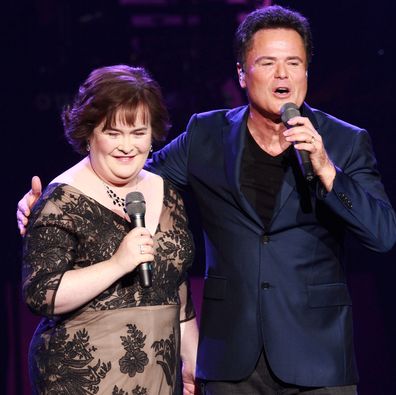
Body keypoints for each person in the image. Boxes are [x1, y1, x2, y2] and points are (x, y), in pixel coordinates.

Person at [17, 5, 396, 395]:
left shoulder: (346, 141)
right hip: (231, 362)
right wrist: (55, 202)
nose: (282, 74)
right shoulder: (206, 134)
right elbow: (131, 168)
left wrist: (327, 170)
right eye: (267, 62)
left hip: (317, 358)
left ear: (306, 72)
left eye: (293, 63)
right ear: (241, 74)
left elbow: (382, 234)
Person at [19, 64, 199, 395]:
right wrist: (118, 263)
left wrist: (191, 358)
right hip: (85, 376)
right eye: (113, 133)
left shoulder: (166, 192)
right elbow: (40, 293)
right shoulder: (62, 198)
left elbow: (177, 283)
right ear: (89, 133)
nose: (127, 146)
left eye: (138, 132)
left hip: (159, 376)